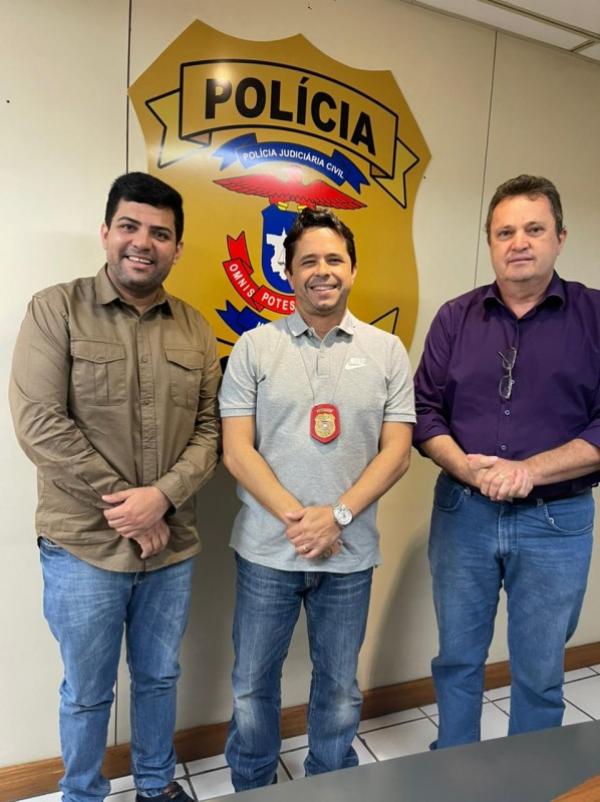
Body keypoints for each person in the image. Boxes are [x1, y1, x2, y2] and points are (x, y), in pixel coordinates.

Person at [9, 172, 221, 802]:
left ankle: (156, 787)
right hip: (83, 547)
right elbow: (39, 424)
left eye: (160, 233)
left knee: (159, 678)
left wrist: (162, 499)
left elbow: (211, 429)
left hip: (170, 546)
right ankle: (82, 794)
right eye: (129, 226)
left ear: (177, 247)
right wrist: (132, 508)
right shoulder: (55, 309)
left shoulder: (195, 328)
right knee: (86, 691)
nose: (143, 243)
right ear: (106, 232)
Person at [219, 207, 415, 790]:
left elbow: (397, 452)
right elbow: (237, 450)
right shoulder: (254, 347)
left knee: (339, 686)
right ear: (288, 272)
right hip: (266, 552)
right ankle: (253, 786)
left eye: (334, 259)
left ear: (352, 270)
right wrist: (301, 521)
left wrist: (338, 517)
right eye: (308, 261)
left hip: (349, 555)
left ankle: (332, 784)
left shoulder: (388, 351)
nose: (322, 271)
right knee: (252, 684)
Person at [413, 174, 600, 749]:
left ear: (560, 237)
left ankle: (531, 781)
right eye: (505, 232)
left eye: (534, 229)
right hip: (463, 512)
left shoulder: (595, 316)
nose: (519, 242)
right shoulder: (455, 317)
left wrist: (529, 471)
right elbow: (424, 411)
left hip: (555, 521)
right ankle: (453, 768)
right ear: (490, 242)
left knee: (540, 671)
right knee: (457, 659)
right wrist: (466, 469)